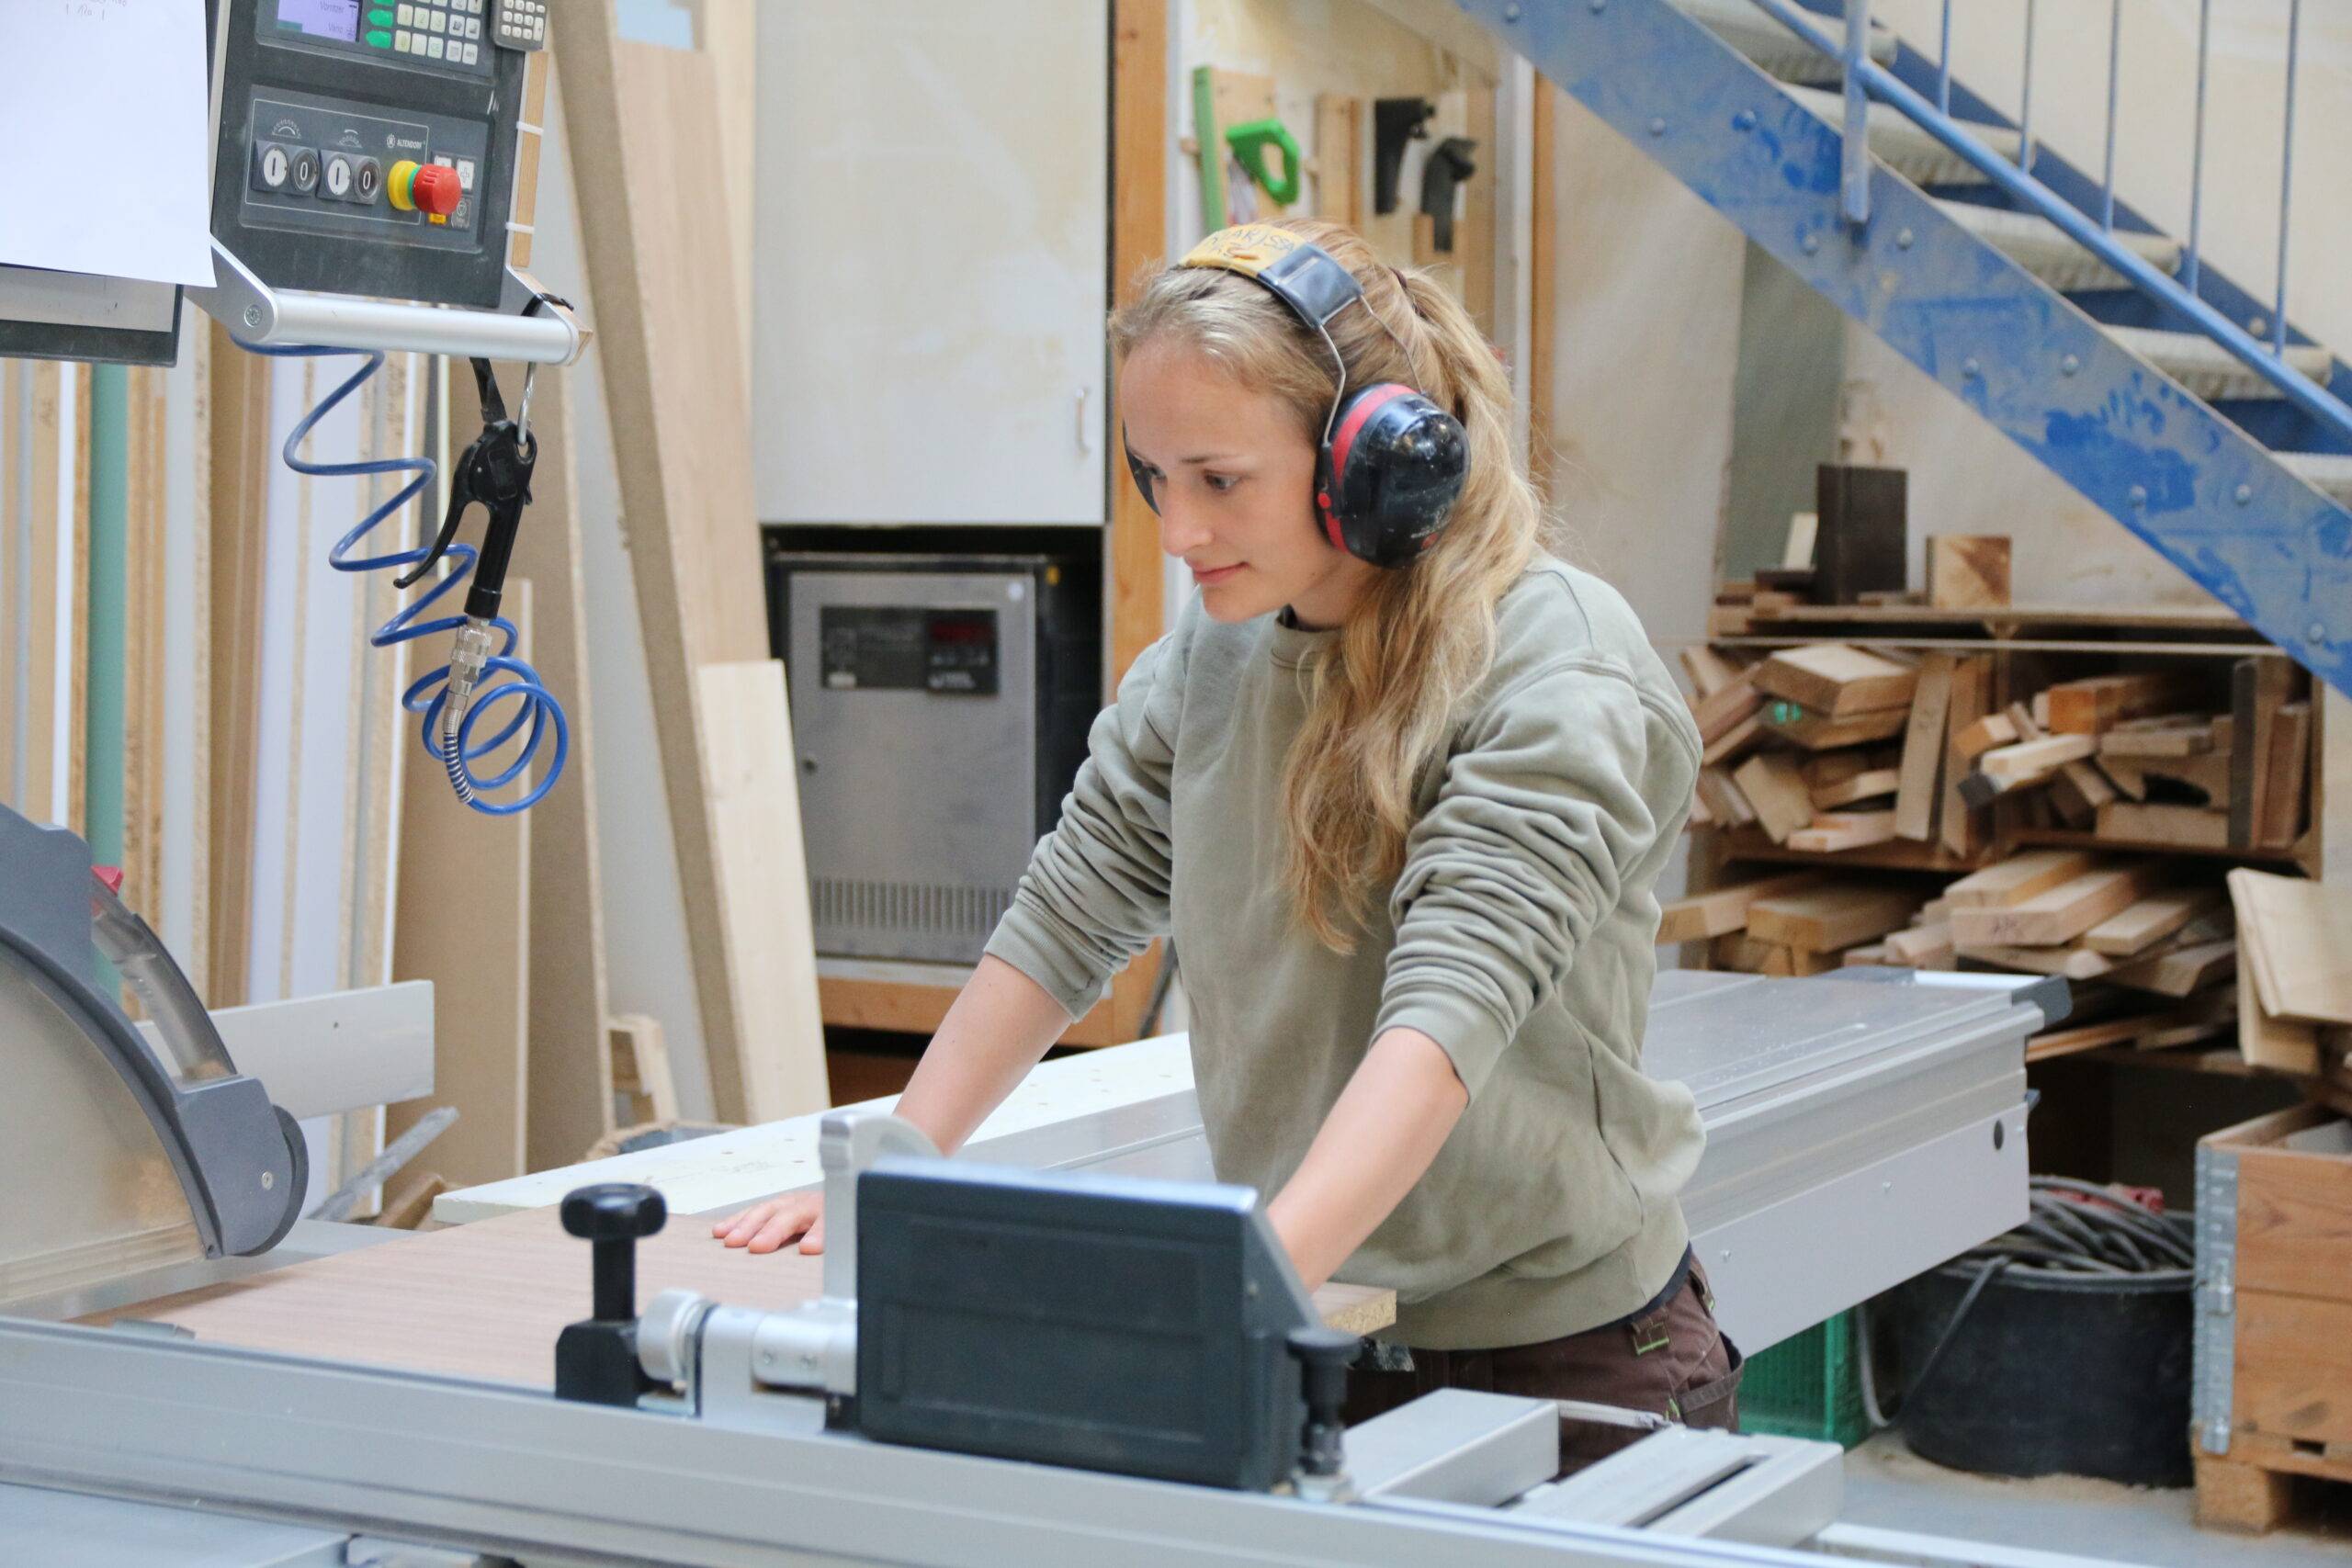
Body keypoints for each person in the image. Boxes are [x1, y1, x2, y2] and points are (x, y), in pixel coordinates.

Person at [717, 218, 1736, 1470]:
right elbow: (1070, 909)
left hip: (1557, 1360)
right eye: (1155, 477)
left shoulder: (1556, 665)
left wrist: (1237, 1294)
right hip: (1316, 1323)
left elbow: (1447, 1019)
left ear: (1375, 462)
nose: (1178, 532)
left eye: (1219, 480)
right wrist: (893, 1169)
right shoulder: (1217, 650)